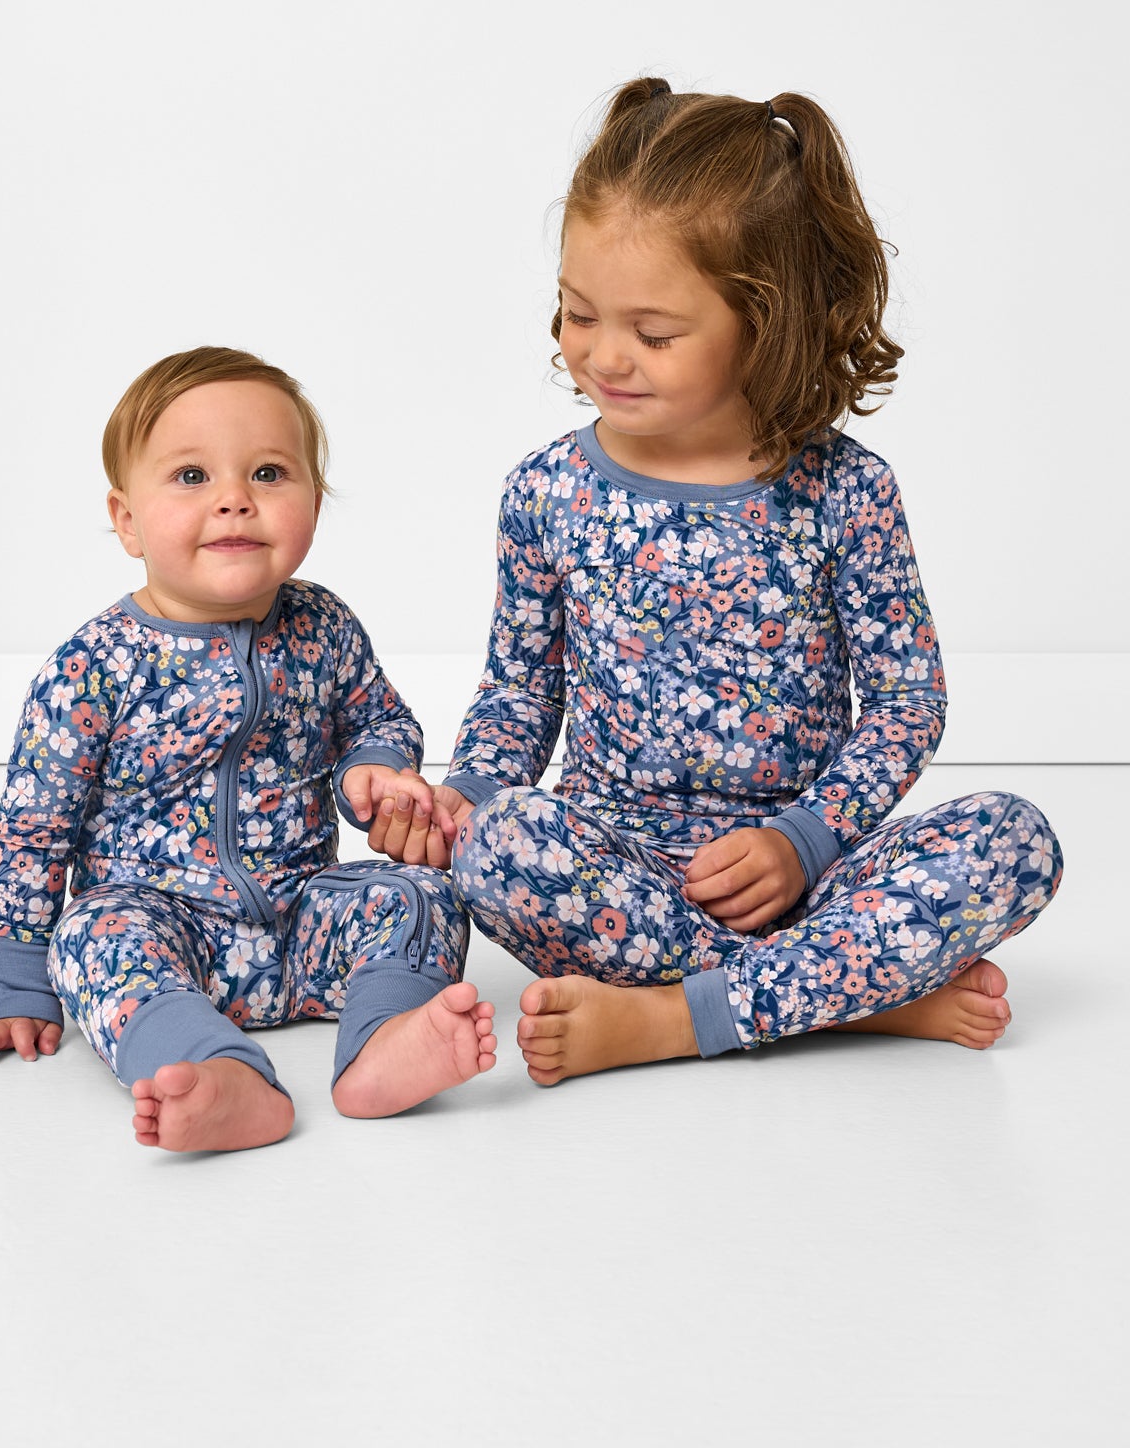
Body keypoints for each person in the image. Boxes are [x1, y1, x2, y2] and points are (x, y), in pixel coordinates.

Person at [371, 78, 1063, 1084]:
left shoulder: (845, 491)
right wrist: (464, 794)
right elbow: (522, 691)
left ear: (763, 323)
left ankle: (671, 1019)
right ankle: (848, 1000)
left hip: (807, 867)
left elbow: (905, 702)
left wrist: (804, 838)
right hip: (618, 869)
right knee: (500, 846)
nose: (605, 355)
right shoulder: (544, 490)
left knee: (1015, 840)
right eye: (577, 314)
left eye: (653, 333)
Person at [0, 346, 495, 1148]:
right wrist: (15, 984)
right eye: (193, 477)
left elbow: (378, 718)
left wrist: (374, 773)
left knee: (423, 895)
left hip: (303, 920)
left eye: (270, 474)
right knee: (91, 938)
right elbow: (33, 830)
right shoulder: (92, 666)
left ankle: (382, 1042)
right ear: (127, 520)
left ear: (316, 496)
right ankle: (217, 1072)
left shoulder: (323, 624)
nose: (236, 500)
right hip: (164, 928)